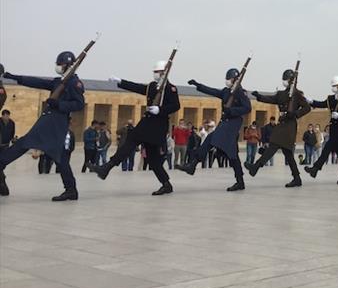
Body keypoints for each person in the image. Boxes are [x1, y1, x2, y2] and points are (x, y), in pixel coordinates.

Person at [0, 52, 85, 201]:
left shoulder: (73, 83)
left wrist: (59, 104)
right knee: (59, 156)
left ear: (67, 65)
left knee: (25, 143)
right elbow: (38, 82)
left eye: (60, 64)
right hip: (49, 120)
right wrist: (14, 77)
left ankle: (1, 163)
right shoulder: (61, 81)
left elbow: (79, 104)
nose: (58, 67)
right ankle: (71, 190)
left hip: (56, 122)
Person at [90, 61, 180, 195]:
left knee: (138, 144)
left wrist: (160, 109)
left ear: (163, 73)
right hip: (148, 122)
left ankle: (107, 167)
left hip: (158, 126)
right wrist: (120, 81)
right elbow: (137, 87)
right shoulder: (152, 86)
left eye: (157, 72)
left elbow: (176, 105)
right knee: (149, 156)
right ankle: (166, 184)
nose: (155, 75)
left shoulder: (171, 88)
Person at [176, 68, 251, 191]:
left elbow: (247, 108)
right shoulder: (227, 92)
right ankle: (240, 181)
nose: (227, 81)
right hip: (225, 124)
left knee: (211, 138)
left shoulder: (241, 93)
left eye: (229, 79)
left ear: (235, 79)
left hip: (232, 124)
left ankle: (193, 165)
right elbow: (212, 91)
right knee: (232, 155)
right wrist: (198, 85)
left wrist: (231, 111)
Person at [246, 68, 311, 187]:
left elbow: (307, 108)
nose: (284, 81)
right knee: (287, 153)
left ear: (291, 81)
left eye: (286, 79)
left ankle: (255, 167)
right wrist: (259, 96)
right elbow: (271, 99)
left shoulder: (297, 94)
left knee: (274, 145)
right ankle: (297, 178)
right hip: (282, 124)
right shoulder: (281, 94)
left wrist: (295, 114)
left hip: (290, 125)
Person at [306, 75, 338, 183]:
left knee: (327, 148)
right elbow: (322, 104)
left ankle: (315, 169)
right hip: (334, 129)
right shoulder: (331, 99)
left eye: (335, 85)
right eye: (332, 85)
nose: (333, 87)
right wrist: (312, 101)